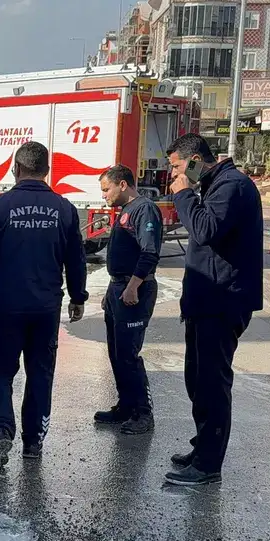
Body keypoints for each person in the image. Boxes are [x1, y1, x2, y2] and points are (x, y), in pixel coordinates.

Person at [0, 141, 88, 468]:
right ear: (46, 170)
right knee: (40, 375)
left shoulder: (0, 207)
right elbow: (76, 260)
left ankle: (2, 428)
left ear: (16, 168)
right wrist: (77, 297)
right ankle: (33, 443)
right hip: (46, 309)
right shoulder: (64, 209)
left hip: (6, 309)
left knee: (0, 373)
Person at [165, 133, 264, 486]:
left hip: (223, 301)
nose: (173, 173)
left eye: (177, 166)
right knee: (197, 379)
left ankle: (208, 465)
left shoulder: (231, 186)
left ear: (194, 160)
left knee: (211, 383)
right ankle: (203, 446)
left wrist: (183, 194)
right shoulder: (216, 185)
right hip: (207, 299)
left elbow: (205, 230)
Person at [92, 163, 162, 436]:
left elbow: (149, 253)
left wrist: (132, 287)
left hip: (135, 290)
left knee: (129, 355)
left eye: (106, 189)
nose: (104, 195)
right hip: (118, 289)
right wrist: (112, 293)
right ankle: (126, 405)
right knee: (117, 353)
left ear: (123, 184)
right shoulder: (125, 211)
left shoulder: (144, 209)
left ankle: (143, 414)